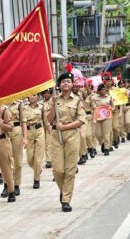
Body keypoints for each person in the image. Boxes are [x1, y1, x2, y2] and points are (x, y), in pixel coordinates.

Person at [47, 69, 85, 212]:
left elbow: (81, 120)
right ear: (59, 85)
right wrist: (52, 105)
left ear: (72, 84)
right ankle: (63, 191)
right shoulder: (55, 100)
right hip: (56, 137)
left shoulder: (77, 100)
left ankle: (66, 200)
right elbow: (49, 120)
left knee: (69, 170)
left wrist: (65, 126)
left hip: (71, 136)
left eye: (68, 81)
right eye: (63, 82)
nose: (66, 84)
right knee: (57, 170)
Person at [24, 94, 47, 189]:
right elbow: (23, 123)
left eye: (34, 95)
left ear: (38, 97)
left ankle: (36, 179)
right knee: (29, 159)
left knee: (38, 159)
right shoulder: (24, 108)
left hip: (39, 131)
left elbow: (45, 122)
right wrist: (24, 136)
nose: (32, 97)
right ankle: (38, 170)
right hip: (29, 132)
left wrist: (48, 135)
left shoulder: (42, 107)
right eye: (31, 95)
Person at [4, 101, 27, 196]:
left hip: (16, 130)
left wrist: (25, 137)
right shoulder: (1, 102)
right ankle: (7, 185)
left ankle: (16, 185)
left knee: (17, 160)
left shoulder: (19, 104)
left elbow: (24, 121)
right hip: (4, 131)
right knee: (5, 160)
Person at [90, 84, 114, 156]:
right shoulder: (94, 97)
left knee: (106, 133)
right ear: (99, 91)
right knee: (98, 134)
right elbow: (93, 106)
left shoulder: (109, 97)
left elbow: (113, 106)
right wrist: (99, 108)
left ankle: (107, 148)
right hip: (98, 117)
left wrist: (111, 109)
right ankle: (102, 143)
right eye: (102, 89)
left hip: (107, 117)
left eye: (104, 89)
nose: (103, 91)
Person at [42, 89, 54, 168]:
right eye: (45, 93)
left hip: (50, 124)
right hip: (42, 125)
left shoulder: (52, 101)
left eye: (48, 93)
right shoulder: (40, 103)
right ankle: (48, 159)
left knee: (49, 143)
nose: (46, 95)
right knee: (44, 143)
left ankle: (49, 160)